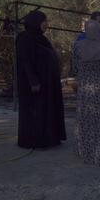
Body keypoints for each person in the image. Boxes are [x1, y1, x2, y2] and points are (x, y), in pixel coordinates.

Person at [16, 11, 66, 149]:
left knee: (46, 111)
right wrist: (33, 81)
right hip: (34, 84)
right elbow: (26, 61)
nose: (46, 24)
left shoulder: (42, 38)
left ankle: (49, 138)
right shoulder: (24, 37)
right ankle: (35, 141)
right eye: (44, 21)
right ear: (35, 22)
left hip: (47, 83)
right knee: (35, 113)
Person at [73, 20, 100, 165]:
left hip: (84, 88)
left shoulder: (78, 45)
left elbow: (75, 68)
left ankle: (87, 152)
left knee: (86, 120)